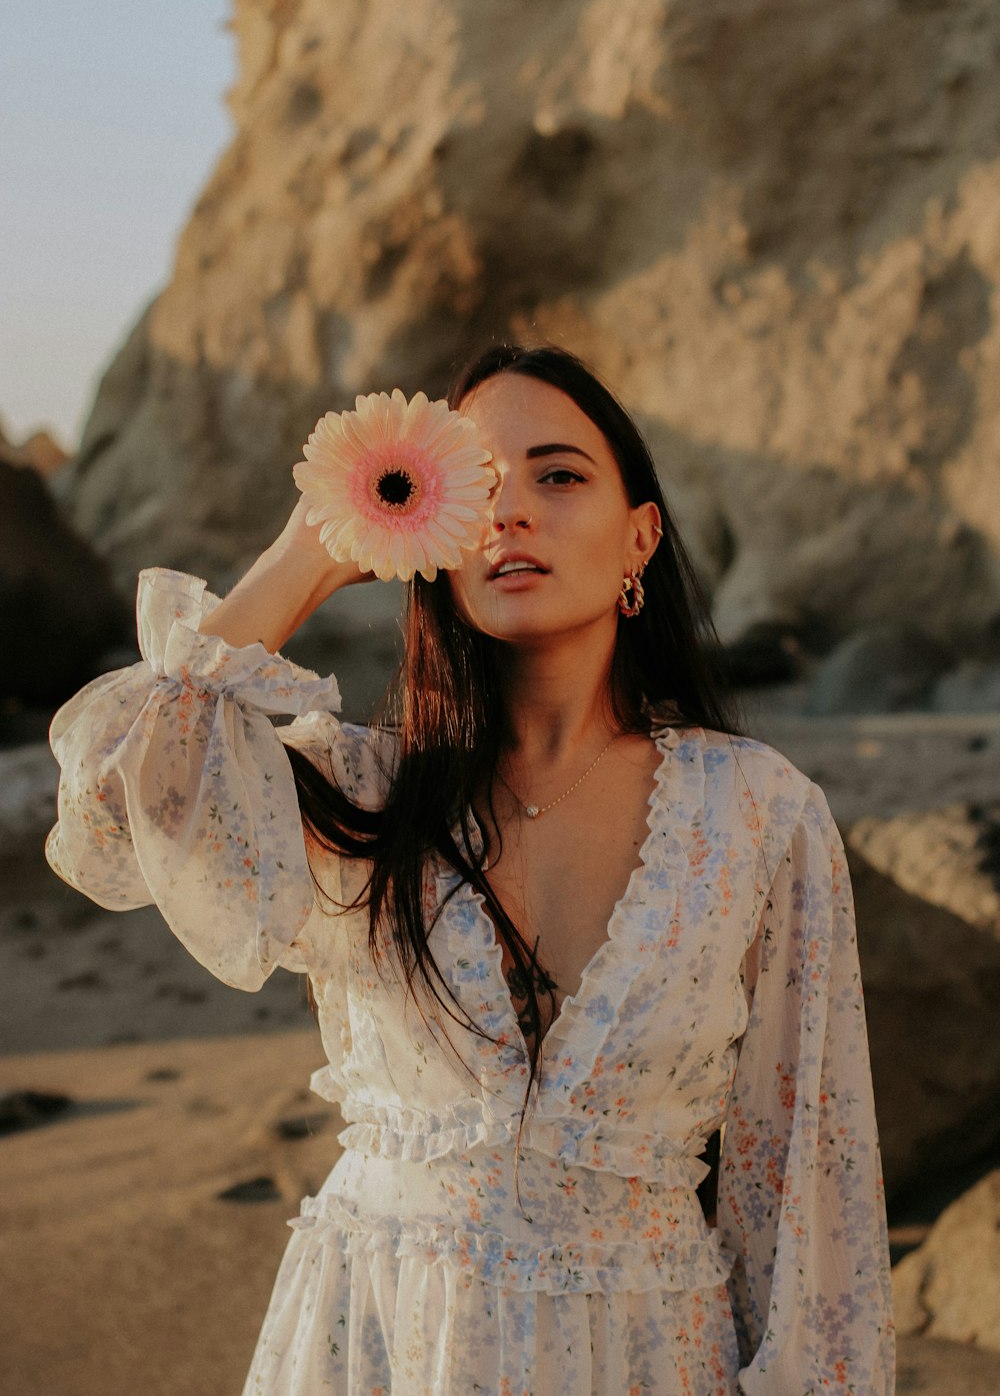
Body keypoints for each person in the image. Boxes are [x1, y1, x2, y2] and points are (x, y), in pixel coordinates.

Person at [46, 345, 895, 1395]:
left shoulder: (756, 813)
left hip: (644, 1355)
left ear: (641, 536)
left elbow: (807, 1184)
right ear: (428, 540)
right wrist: (308, 553)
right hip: (376, 1344)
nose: (511, 515)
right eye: (476, 488)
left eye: (559, 474)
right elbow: (110, 809)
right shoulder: (359, 791)